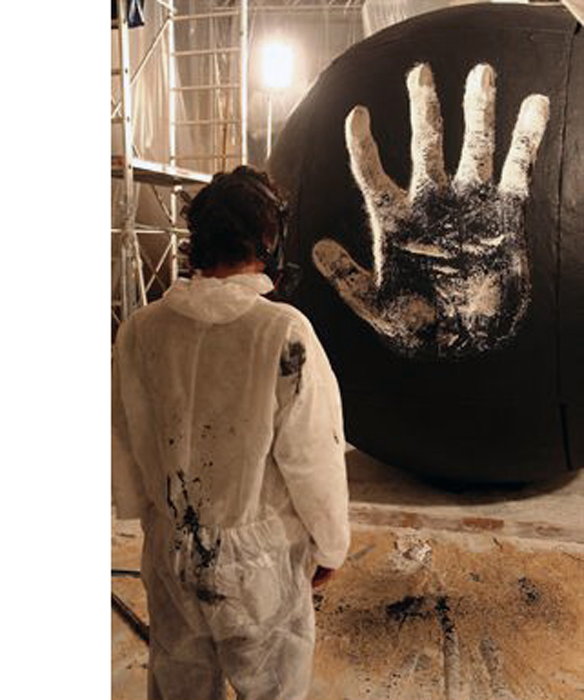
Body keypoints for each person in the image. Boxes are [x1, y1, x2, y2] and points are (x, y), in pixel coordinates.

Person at [112, 165, 351, 700]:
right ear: (268, 240)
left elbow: (124, 438)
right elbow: (313, 456)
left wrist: (148, 514)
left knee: (179, 684)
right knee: (272, 687)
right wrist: (331, 543)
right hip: (257, 563)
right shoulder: (282, 333)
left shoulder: (141, 330)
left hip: (171, 549)